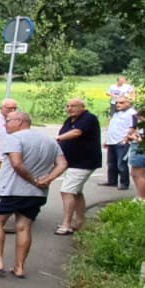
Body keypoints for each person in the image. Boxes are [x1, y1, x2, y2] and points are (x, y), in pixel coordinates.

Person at [0, 111, 66, 278]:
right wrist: (48, 179)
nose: (5, 124)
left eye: (8, 121)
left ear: (20, 122)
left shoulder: (14, 139)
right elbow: (63, 163)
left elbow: (17, 164)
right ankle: (19, 267)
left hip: (11, 190)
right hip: (37, 193)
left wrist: (33, 180)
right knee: (24, 226)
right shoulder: (49, 140)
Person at [52, 98, 100, 235]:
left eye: (73, 106)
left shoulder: (88, 118)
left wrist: (58, 139)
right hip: (73, 162)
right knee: (76, 192)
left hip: (83, 162)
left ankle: (66, 224)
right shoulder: (69, 120)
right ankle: (79, 221)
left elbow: (76, 133)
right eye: (67, 106)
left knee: (67, 191)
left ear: (82, 107)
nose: (69, 108)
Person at [101, 96, 134, 190]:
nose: (118, 104)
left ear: (128, 103)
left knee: (121, 164)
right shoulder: (116, 114)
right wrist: (107, 140)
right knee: (111, 163)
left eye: (121, 103)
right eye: (117, 103)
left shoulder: (132, 113)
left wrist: (127, 139)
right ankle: (112, 181)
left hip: (121, 142)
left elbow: (133, 127)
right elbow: (112, 127)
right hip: (112, 141)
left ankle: (124, 183)